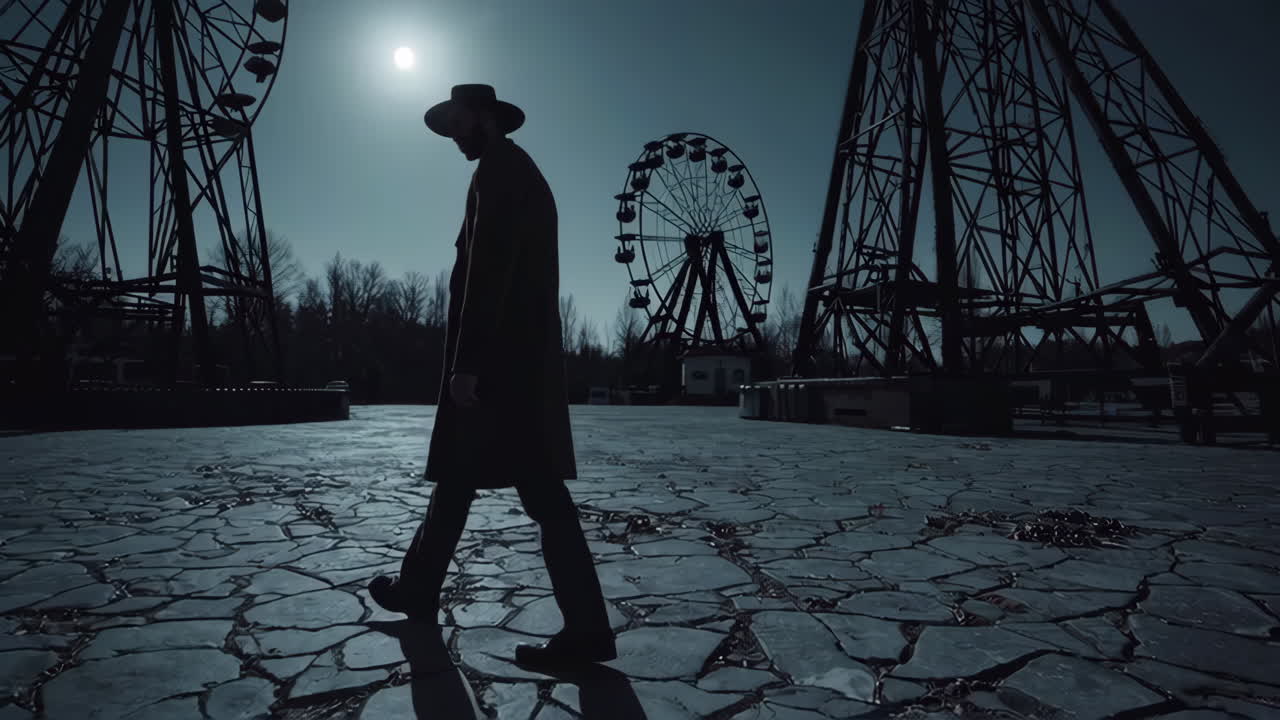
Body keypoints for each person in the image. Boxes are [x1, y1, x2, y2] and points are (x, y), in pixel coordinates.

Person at [367, 84, 616, 667]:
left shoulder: (500, 172)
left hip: (504, 370)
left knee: (543, 495)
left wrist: (469, 363)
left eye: (457, 124)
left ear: (483, 118)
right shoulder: (515, 170)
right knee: (456, 480)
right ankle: (418, 590)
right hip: (512, 364)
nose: (454, 137)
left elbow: (489, 272)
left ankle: (588, 629)